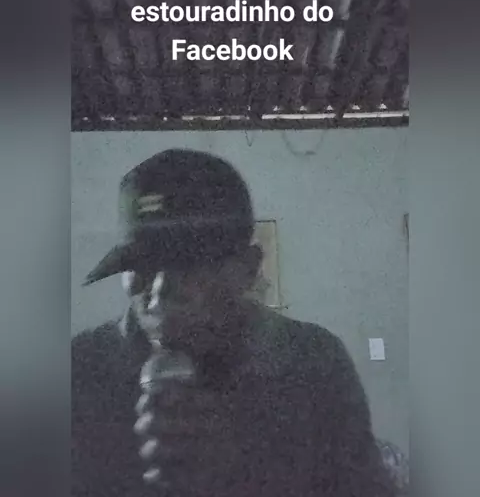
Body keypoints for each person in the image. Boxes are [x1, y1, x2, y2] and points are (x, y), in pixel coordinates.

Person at [72, 148, 394, 497]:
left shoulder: (313, 363)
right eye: (141, 265)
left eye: (190, 265)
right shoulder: (80, 370)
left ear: (249, 268)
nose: (160, 291)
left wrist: (246, 472)